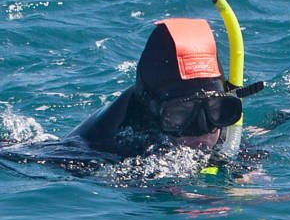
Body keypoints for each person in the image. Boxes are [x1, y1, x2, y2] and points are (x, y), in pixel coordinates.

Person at [68, 18, 244, 159]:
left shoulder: (216, 124)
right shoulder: (101, 142)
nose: (203, 130)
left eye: (215, 110)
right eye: (181, 114)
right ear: (151, 108)